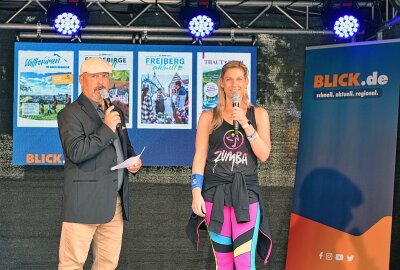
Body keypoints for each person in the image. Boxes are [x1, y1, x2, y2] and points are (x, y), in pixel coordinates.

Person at [57, 57, 142, 270]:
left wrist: (133, 162)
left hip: (114, 203)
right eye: (95, 76)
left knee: (107, 264)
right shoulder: (70, 113)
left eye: (105, 76)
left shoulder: (115, 111)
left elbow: (125, 147)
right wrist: (105, 127)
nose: (101, 82)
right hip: (83, 203)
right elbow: (76, 152)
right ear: (81, 80)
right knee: (71, 264)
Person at [186, 61, 272, 269]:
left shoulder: (258, 114)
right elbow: (199, 157)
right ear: (222, 84)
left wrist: (244, 123)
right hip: (215, 195)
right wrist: (196, 192)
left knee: (243, 261)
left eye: (239, 79)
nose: (235, 84)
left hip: (246, 195)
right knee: (223, 262)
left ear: (246, 82)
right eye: (229, 79)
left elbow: (264, 154)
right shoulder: (208, 117)